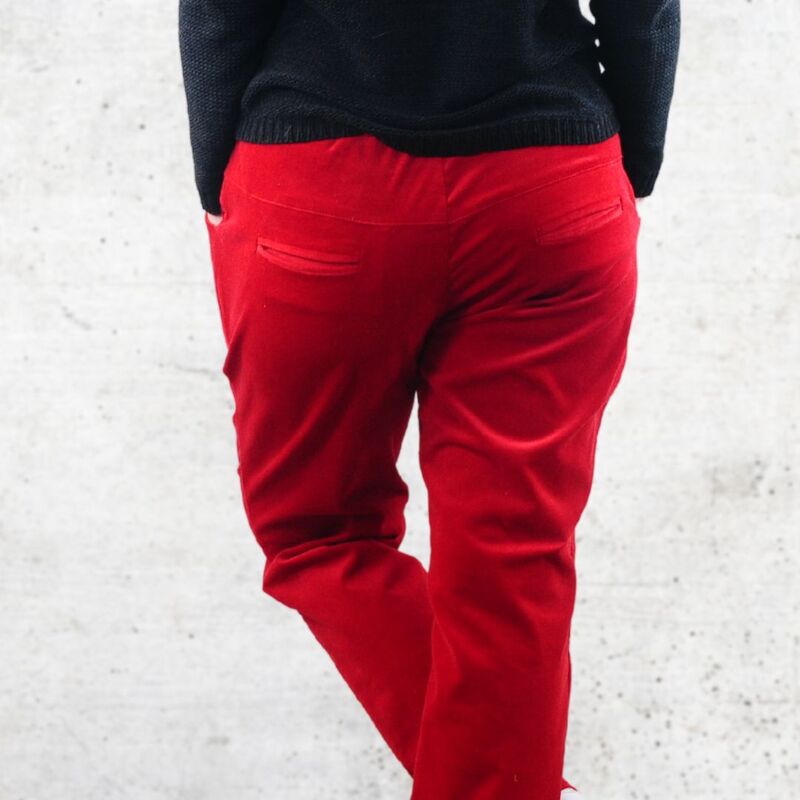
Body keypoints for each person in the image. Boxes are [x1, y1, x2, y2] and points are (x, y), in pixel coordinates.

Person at [177, 1, 680, 798]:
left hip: (319, 190)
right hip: (550, 185)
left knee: (317, 531)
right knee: (513, 555)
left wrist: (216, 165)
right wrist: (636, 155)